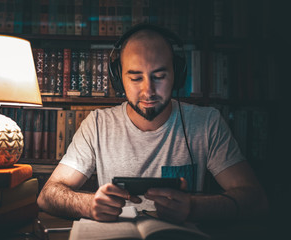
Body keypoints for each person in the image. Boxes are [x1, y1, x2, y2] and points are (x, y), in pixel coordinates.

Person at [37, 24, 268, 224]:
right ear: (119, 79)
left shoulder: (207, 123)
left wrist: (193, 207)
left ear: (177, 74)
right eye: (136, 78)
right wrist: (89, 204)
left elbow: (255, 199)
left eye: (160, 76)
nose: (148, 90)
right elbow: (47, 195)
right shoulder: (97, 124)